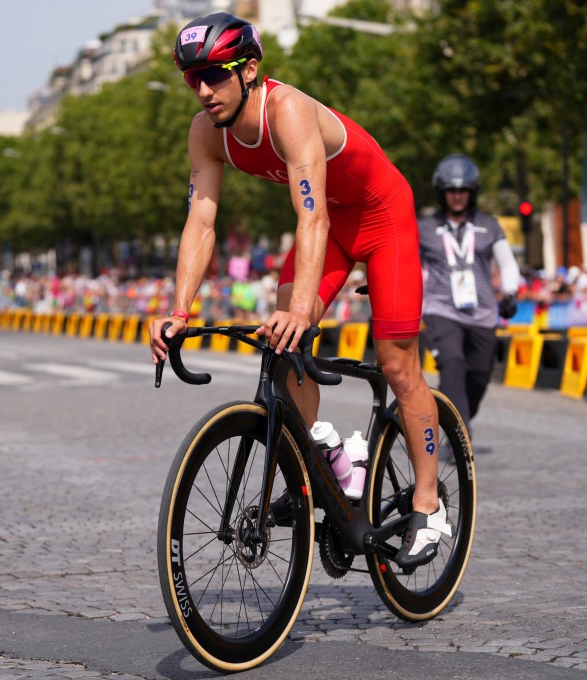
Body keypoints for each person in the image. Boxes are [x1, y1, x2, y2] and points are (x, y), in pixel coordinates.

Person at [149, 12, 449, 569]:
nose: (204, 89)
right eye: (193, 79)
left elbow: (309, 218)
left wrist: (302, 310)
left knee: (398, 364)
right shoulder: (204, 132)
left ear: (250, 69)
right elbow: (201, 222)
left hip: (381, 218)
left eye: (215, 75)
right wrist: (179, 309)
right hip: (332, 226)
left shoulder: (286, 111)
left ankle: (429, 506)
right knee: (283, 351)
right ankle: (329, 453)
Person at [418, 154, 521, 444]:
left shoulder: (489, 225)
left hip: (483, 313)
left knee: (478, 375)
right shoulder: (424, 227)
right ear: (442, 192)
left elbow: (508, 263)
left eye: (463, 190)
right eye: (451, 190)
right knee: (452, 364)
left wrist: (510, 293)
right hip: (441, 309)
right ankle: (461, 437)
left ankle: (457, 416)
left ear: (472, 192)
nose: (457, 196)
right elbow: (406, 263)